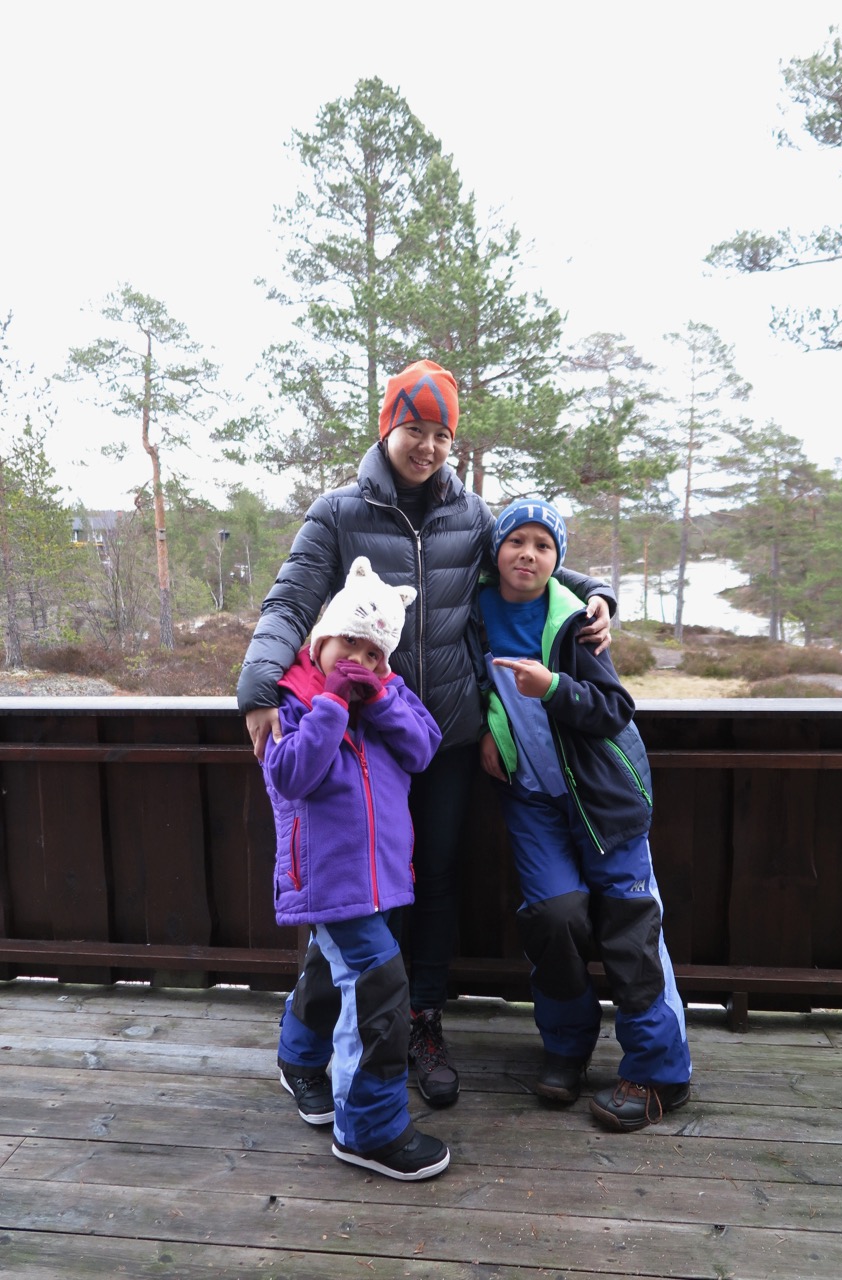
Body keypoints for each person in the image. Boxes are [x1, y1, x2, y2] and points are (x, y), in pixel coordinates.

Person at [238, 358, 616, 1109]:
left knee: (434, 881)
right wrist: (256, 687)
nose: (430, 447)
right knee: (349, 892)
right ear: (388, 428)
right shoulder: (338, 513)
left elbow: (526, 566)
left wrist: (595, 592)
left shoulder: (470, 515)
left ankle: (421, 1021)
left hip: (439, 737)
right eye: (416, 429)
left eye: (442, 434)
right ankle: (323, 1031)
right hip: (357, 743)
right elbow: (290, 602)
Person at [476, 498, 692, 1133]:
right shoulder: (473, 610)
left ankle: (660, 1073)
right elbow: (469, 681)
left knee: (629, 925)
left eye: (544, 545)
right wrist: (488, 728)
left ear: (557, 559)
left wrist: (552, 687)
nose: (528, 554)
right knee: (554, 917)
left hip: (602, 797)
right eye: (517, 541)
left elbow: (613, 708)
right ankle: (567, 1047)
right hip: (533, 799)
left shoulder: (575, 621)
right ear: (496, 550)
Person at [263, 556, 449, 1180]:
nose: (359, 661)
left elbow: (423, 749)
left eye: (374, 653)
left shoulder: (389, 694)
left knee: (331, 967)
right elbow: (290, 775)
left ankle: (298, 1058)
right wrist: (333, 706)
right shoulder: (293, 700)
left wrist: (381, 697)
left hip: (384, 875)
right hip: (328, 875)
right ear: (321, 640)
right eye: (349, 645)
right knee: (378, 985)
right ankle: (369, 1129)